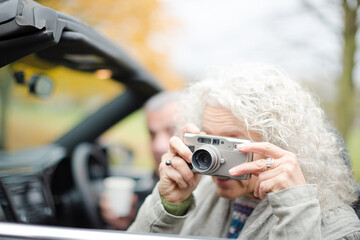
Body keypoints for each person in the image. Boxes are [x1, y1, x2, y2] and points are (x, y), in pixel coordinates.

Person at [128, 63, 360, 239]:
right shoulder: (199, 191)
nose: (212, 159)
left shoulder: (334, 225)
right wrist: (169, 206)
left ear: (279, 143)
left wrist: (296, 209)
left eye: (231, 144)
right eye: (208, 140)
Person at [100, 91, 181, 230]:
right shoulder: (154, 183)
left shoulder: (210, 192)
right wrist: (128, 221)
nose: (158, 146)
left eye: (172, 130)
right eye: (152, 134)